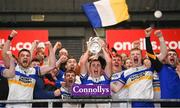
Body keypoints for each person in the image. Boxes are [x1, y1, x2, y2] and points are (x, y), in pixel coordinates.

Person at [2, 30, 56, 108]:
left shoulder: (34, 71)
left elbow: (52, 66)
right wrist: (10, 37)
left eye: (27, 56)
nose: (25, 57)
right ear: (18, 59)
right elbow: (4, 54)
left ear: (30, 59)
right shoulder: (14, 68)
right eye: (22, 55)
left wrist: (50, 48)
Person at [145, 27, 180, 107]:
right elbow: (151, 54)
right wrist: (147, 37)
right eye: (169, 54)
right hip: (166, 103)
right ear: (165, 59)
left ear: (177, 59)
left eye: (174, 55)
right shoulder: (161, 68)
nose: (172, 56)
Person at [79, 38, 111, 108]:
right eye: (93, 65)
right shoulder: (85, 79)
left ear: (101, 68)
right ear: (90, 68)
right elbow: (82, 62)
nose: (96, 67)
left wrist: (102, 48)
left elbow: (109, 62)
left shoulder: (105, 78)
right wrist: (89, 48)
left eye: (98, 65)